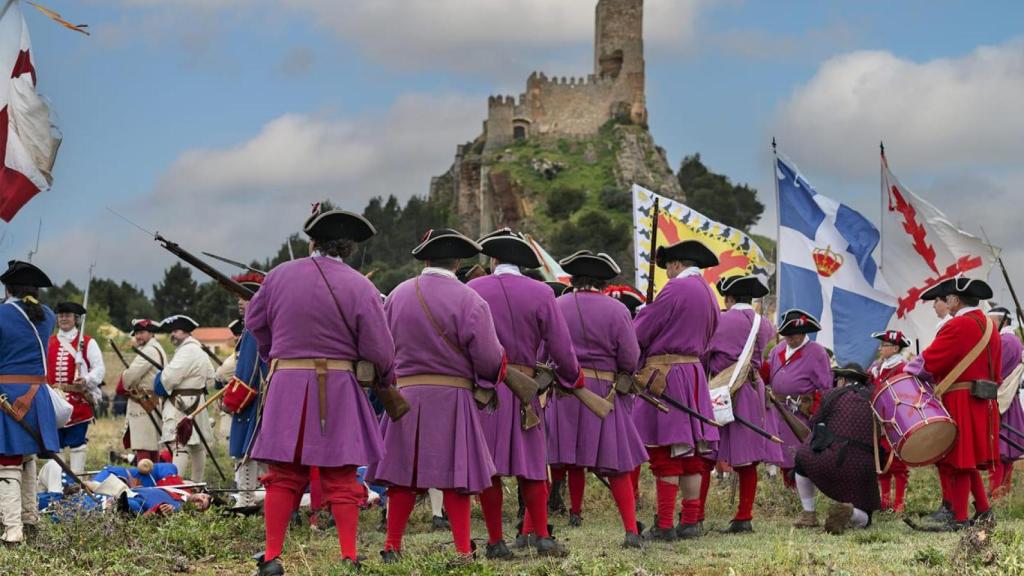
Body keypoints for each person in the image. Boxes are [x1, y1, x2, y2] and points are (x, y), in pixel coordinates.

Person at [246, 204, 396, 574]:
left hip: (285, 384)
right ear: (348, 248)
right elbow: (379, 348)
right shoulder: (361, 285)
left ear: (312, 240)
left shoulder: (278, 275)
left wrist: (275, 357)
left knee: (283, 474)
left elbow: (254, 322)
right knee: (343, 475)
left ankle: (271, 558)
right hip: (341, 386)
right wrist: (386, 378)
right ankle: (348, 557)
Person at [367, 228, 506, 561]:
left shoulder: (397, 295)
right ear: (458, 261)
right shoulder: (472, 299)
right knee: (455, 477)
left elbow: (381, 350)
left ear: (425, 256)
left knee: (401, 476)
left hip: (406, 396)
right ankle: (461, 551)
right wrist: (487, 380)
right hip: (452, 398)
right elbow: (489, 359)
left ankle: (392, 546)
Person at [469, 228, 583, 558]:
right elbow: (561, 348)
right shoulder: (542, 293)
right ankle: (543, 537)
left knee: (489, 469)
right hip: (526, 391)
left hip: (486, 390)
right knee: (532, 467)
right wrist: (572, 377)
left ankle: (495, 542)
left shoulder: (473, 288)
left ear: (493, 259)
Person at [546, 250, 647, 547]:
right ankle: (630, 531)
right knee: (617, 467)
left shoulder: (556, 305)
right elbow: (630, 358)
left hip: (563, 392)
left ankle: (534, 530)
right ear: (604, 281)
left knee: (556, 463)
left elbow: (544, 351)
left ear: (573, 277)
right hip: (604, 394)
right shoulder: (618, 311)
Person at [632, 239, 721, 541]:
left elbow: (642, 332)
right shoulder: (708, 293)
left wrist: (643, 313)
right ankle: (691, 521)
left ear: (677, 263)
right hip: (693, 372)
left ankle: (666, 524)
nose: (667, 272)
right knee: (691, 454)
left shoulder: (676, 288)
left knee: (667, 449)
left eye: (668, 266)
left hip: (668, 373)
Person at [906, 277, 1001, 530]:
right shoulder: (991, 327)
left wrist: (907, 370)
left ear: (956, 300)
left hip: (960, 399)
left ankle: (958, 518)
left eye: (948, 299)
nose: (947, 303)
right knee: (967, 458)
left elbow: (929, 362)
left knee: (959, 459)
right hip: (984, 400)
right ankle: (983, 510)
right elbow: (997, 371)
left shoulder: (958, 325)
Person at [702, 275, 776, 533]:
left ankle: (695, 515)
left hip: (721, 390)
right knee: (748, 460)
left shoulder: (721, 320)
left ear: (729, 298)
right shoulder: (764, 324)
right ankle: (744, 516)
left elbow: (705, 355)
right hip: (751, 393)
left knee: (705, 454)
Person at [0, 260, 60, 545]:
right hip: (38, 394)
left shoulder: (2, 314)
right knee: (26, 457)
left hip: (9, 395)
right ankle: (29, 519)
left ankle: (12, 530)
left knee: (7, 461)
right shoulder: (46, 315)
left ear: (8, 287)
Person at [792, 364, 882, 534]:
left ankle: (809, 514)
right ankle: (851, 512)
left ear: (841, 380)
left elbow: (813, 425)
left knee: (801, 457)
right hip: (864, 468)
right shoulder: (875, 398)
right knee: (867, 517)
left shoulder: (832, 394)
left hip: (832, 460)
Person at [763, 309, 833, 499]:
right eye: (786, 336)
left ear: (803, 333)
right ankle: (788, 492)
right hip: (778, 409)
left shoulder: (817, 352)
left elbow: (825, 387)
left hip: (801, 413)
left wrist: (818, 416)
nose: (789, 340)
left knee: (799, 455)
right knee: (782, 454)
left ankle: (801, 494)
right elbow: (768, 374)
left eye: (793, 336)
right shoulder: (777, 350)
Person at [224, 274, 269, 509]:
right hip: (260, 394)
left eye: (245, 297)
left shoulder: (254, 326)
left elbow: (248, 370)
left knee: (248, 450)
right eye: (238, 298)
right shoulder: (257, 324)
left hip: (253, 398)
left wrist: (232, 399)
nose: (240, 303)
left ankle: (248, 499)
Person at [154, 315, 215, 483]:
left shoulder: (187, 350)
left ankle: (176, 488)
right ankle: (196, 484)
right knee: (196, 446)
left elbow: (168, 378)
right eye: (172, 331)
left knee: (178, 444)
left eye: (176, 331)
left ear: (186, 332)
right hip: (195, 402)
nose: (173, 335)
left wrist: (159, 379)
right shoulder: (198, 349)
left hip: (181, 402)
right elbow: (211, 375)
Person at [47, 301, 105, 474]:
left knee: (77, 444)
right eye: (61, 316)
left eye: (68, 315)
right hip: (54, 399)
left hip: (78, 402)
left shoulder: (88, 342)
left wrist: (86, 379)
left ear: (76, 319)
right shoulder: (48, 342)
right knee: (55, 445)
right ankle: (56, 485)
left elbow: (99, 368)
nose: (64, 319)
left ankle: (76, 484)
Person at [868, 330, 911, 512]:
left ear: (894, 348)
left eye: (884, 345)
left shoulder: (903, 367)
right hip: (878, 420)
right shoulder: (877, 368)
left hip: (896, 420)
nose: (880, 348)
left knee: (898, 464)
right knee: (881, 460)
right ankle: (884, 501)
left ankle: (899, 502)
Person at [117, 319, 166, 463]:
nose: (138, 336)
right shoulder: (154, 348)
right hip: (150, 400)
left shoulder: (150, 350)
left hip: (145, 401)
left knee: (144, 445)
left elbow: (129, 377)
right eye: (136, 333)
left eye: (141, 333)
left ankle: (146, 482)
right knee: (151, 445)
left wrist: (125, 379)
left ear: (151, 333)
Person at [986, 305, 1022, 498]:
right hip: (1007, 398)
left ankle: (996, 492)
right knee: (1005, 450)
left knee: (999, 449)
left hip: (1002, 399)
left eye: (992, 320)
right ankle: (1002, 491)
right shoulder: (1012, 340)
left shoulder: (1005, 340)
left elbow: (994, 371)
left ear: (1003, 321)